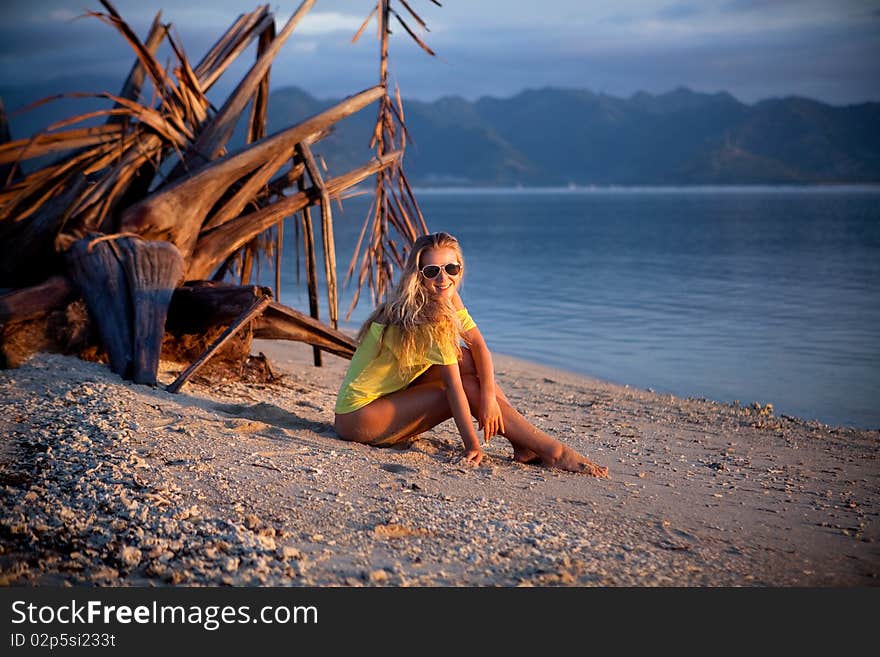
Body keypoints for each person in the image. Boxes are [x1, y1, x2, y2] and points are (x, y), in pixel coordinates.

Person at [334, 232, 608, 477]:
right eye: (432, 271)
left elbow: (479, 347)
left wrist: (488, 397)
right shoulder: (426, 317)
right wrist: (472, 445)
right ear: (418, 275)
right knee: (461, 384)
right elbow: (453, 389)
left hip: (390, 399)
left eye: (451, 268)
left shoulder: (446, 296)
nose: (443, 278)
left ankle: (523, 444)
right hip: (359, 418)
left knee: (467, 359)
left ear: (460, 269)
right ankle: (553, 451)